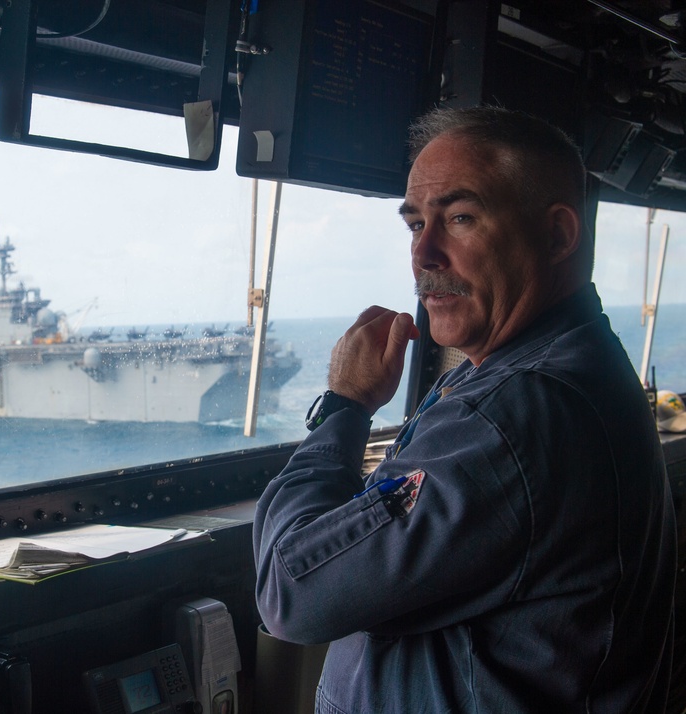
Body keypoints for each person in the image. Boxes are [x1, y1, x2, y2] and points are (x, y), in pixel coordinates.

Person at [253, 106, 677, 713]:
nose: (424, 253)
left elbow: (291, 593)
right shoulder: (562, 371)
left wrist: (345, 406)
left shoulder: (515, 414)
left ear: (557, 235)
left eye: (459, 217)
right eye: (415, 224)